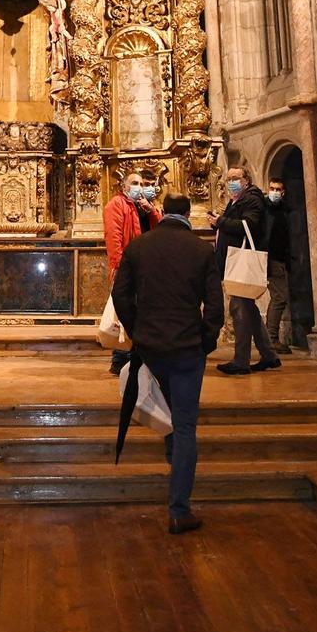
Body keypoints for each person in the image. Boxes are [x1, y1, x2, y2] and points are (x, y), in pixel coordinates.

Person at [111, 192, 223, 535]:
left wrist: (137, 331)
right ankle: (178, 508)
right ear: (188, 213)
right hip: (188, 347)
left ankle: (175, 470)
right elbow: (215, 307)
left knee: (169, 412)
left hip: (151, 347)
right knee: (185, 424)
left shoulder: (139, 247)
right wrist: (205, 339)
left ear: (164, 212)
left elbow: (120, 295)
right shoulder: (202, 250)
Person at [214, 165, 278, 375]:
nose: (231, 181)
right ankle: (269, 355)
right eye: (229, 178)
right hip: (235, 264)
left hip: (242, 264)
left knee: (239, 310)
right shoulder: (238, 199)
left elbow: (248, 226)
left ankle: (241, 361)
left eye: (235, 178)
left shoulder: (251, 199)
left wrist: (221, 221)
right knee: (249, 310)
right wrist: (219, 223)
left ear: (246, 180)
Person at [103, 170, 158, 375]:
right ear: (124, 186)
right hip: (127, 267)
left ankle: (138, 355)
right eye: (134, 183)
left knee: (141, 312)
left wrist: (151, 210)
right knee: (123, 312)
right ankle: (120, 358)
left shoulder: (144, 206)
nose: (139, 187)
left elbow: (160, 228)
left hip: (147, 267)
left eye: (142, 184)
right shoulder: (116, 205)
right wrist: (117, 266)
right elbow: (114, 236)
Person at [264, 178, 294, 354]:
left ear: (283, 192)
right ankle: (271, 339)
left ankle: (268, 339)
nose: (275, 192)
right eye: (272, 189)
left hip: (280, 258)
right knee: (280, 297)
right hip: (270, 259)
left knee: (279, 297)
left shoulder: (284, 209)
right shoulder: (264, 208)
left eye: (278, 189)